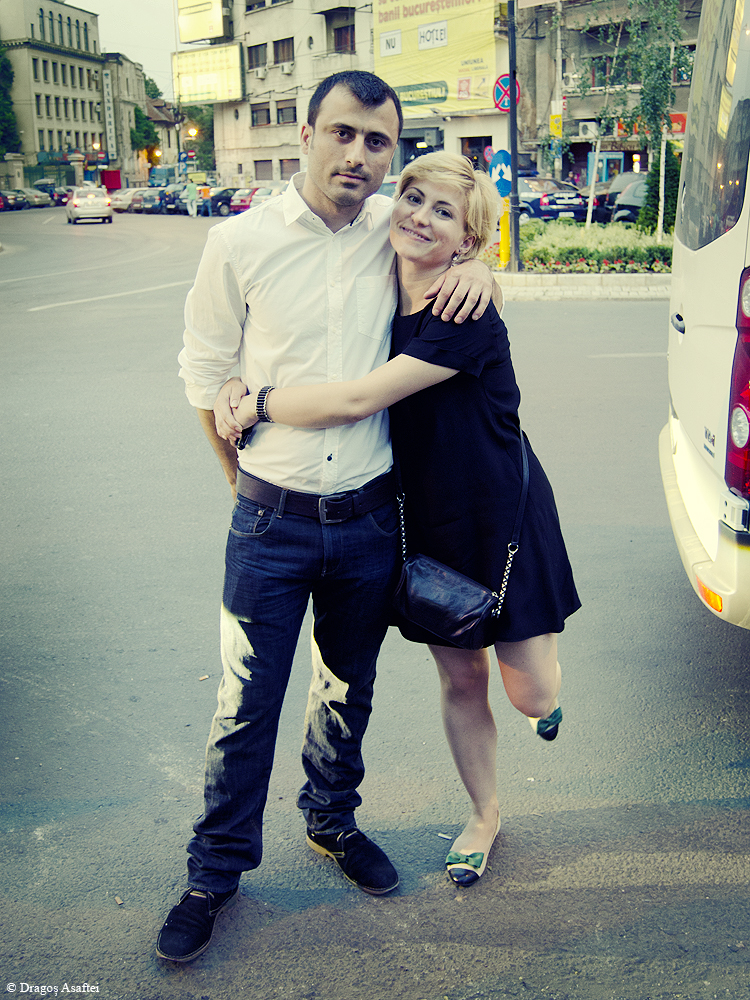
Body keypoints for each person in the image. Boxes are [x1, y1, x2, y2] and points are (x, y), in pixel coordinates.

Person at [156, 73, 494, 964]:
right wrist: (242, 485)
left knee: (348, 687)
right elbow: (205, 375)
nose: (358, 155)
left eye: (377, 142)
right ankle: (213, 873)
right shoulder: (239, 242)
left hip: (371, 519)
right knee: (245, 704)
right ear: (305, 135)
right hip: (270, 518)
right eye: (342, 133)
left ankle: (332, 821)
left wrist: (482, 267)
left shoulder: (395, 228)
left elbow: (456, 245)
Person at [217, 151, 581, 891]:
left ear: (467, 240)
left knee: (531, 694)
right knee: (462, 678)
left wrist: (257, 403)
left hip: (501, 520)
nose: (418, 216)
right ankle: (484, 815)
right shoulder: (379, 277)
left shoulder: (464, 311)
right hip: (429, 522)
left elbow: (357, 400)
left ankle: (545, 698)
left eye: (444, 212)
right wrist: (230, 374)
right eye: (413, 198)